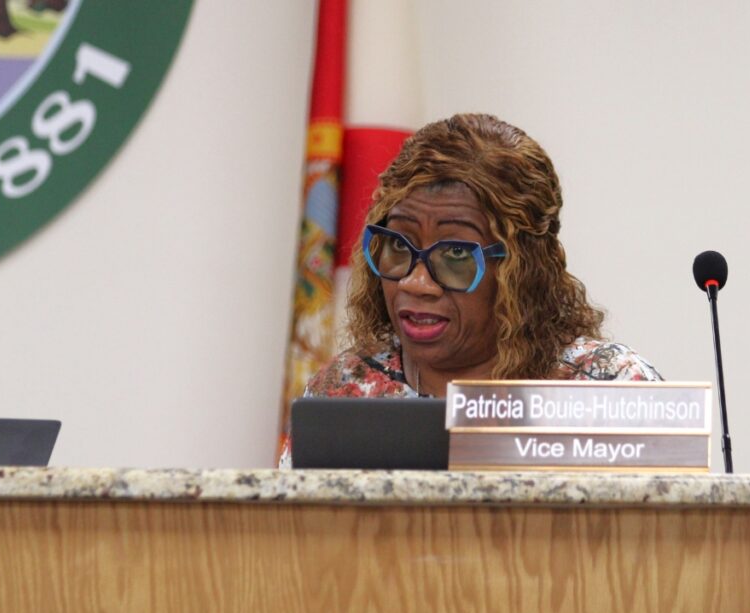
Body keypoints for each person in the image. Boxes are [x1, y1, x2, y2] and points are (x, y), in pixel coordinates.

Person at [280, 113, 659, 468]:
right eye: (398, 246)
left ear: (522, 271)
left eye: (456, 253)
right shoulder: (346, 392)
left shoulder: (608, 391)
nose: (416, 282)